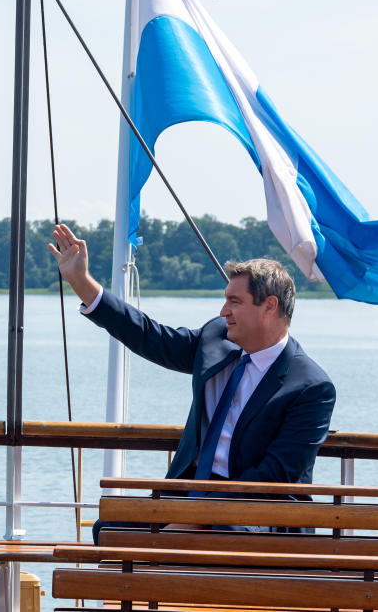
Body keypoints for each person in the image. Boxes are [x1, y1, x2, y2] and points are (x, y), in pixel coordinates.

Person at [47, 224, 335, 540]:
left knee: (199, 539)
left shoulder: (310, 387)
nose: (224, 311)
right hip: (189, 497)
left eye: (235, 302)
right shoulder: (216, 340)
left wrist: (199, 517)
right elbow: (148, 336)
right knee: (110, 529)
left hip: (255, 513)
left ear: (269, 306)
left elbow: (276, 477)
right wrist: (81, 282)